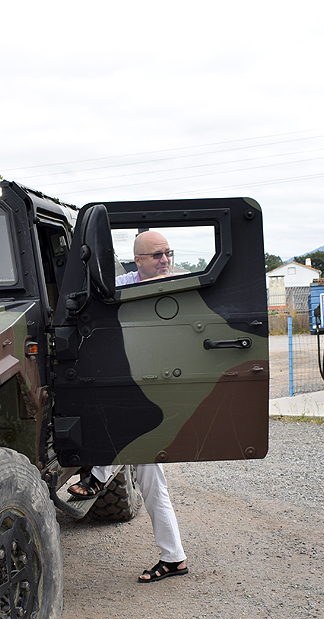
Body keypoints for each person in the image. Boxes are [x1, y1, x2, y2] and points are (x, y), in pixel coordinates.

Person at [68, 230, 188, 583]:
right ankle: (174, 558)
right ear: (138, 261)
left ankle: (97, 477)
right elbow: (92, 299)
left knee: (132, 428)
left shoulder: (180, 286)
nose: (165, 260)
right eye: (157, 255)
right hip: (130, 380)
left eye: (168, 253)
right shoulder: (121, 284)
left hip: (162, 386)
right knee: (151, 480)